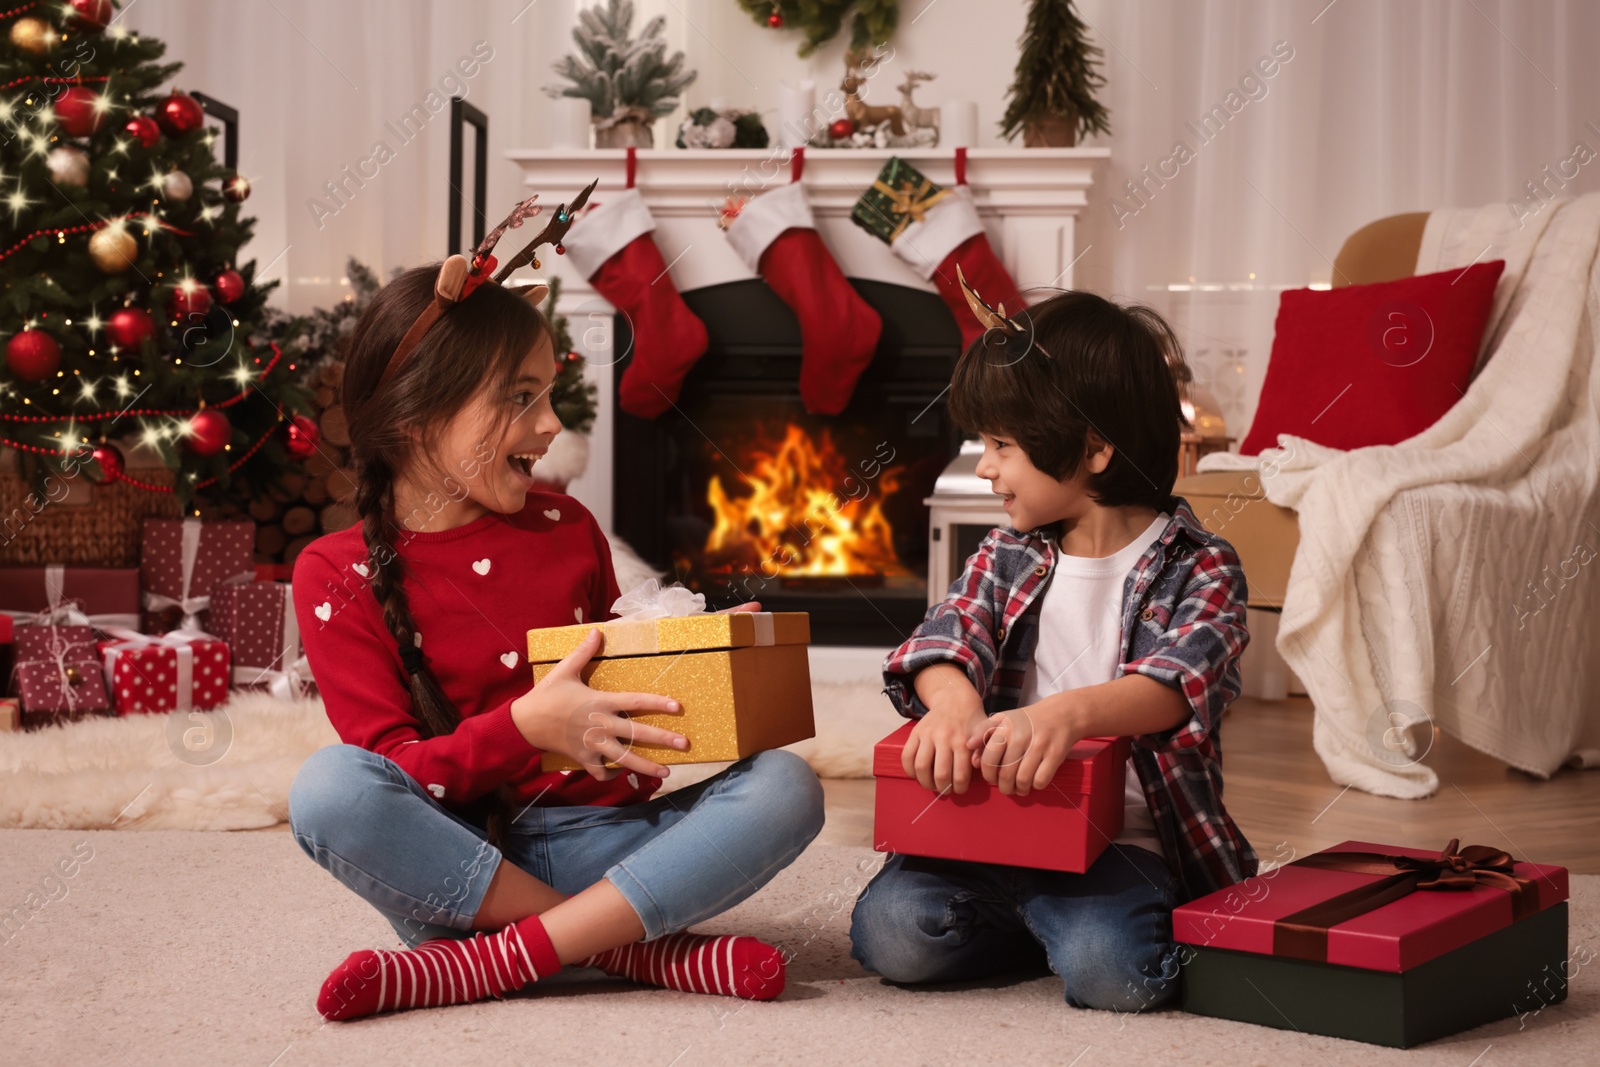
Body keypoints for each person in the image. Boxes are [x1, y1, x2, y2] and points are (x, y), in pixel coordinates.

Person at [287, 202, 824, 1021]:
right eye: (521, 397)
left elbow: (627, 700)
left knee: (788, 783)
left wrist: (703, 654)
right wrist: (527, 728)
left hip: (616, 847)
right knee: (329, 789)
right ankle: (632, 950)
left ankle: (490, 965)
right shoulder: (333, 571)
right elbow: (400, 773)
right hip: (465, 864)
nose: (550, 426)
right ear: (413, 419)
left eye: (549, 394)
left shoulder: (566, 526)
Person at [849, 283, 1257, 1014]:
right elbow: (946, 635)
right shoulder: (1007, 555)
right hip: (987, 834)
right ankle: (1039, 930)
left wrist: (1064, 715)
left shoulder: (1202, 565)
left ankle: (1065, 930)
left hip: (1121, 846)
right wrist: (952, 704)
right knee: (891, 937)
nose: (984, 466)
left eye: (1002, 444)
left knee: (1116, 975)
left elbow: (1178, 681)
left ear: (1094, 447)